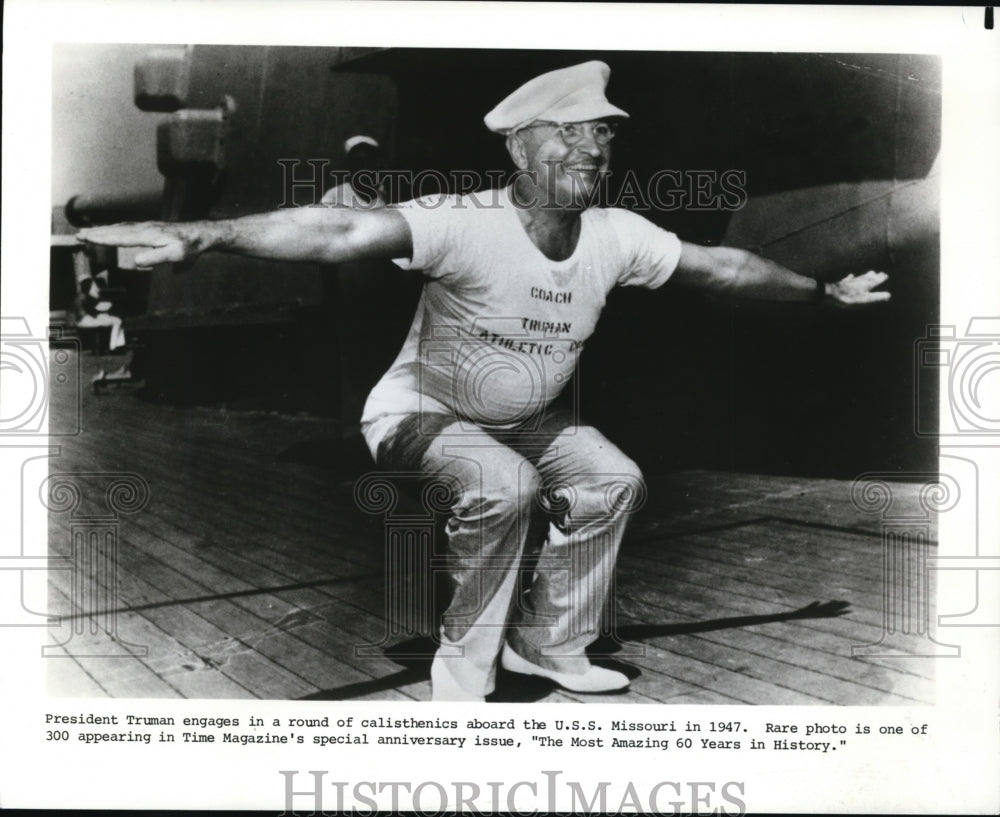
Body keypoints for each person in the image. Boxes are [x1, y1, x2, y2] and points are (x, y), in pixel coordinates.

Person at [78, 61, 890, 702]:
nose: (591, 153)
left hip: (528, 414)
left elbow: (724, 266)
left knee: (613, 480)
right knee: (503, 485)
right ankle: (464, 672)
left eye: (602, 139)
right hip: (420, 410)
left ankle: (549, 643)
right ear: (519, 149)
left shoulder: (617, 234)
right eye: (566, 137)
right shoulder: (463, 221)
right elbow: (340, 228)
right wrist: (203, 235)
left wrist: (820, 293)